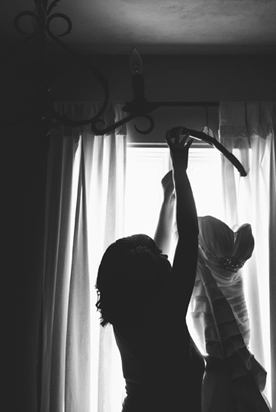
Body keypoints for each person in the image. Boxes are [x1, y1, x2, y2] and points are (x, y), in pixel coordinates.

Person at [95, 127, 205, 412]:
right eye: (161, 258)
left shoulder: (128, 311)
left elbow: (158, 249)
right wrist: (180, 171)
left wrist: (168, 197)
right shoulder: (167, 314)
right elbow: (190, 235)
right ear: (152, 279)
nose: (167, 257)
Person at [155, 170, 271, 411]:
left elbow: (159, 254)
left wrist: (168, 199)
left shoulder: (203, 275)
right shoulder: (232, 271)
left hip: (221, 383)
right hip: (239, 373)